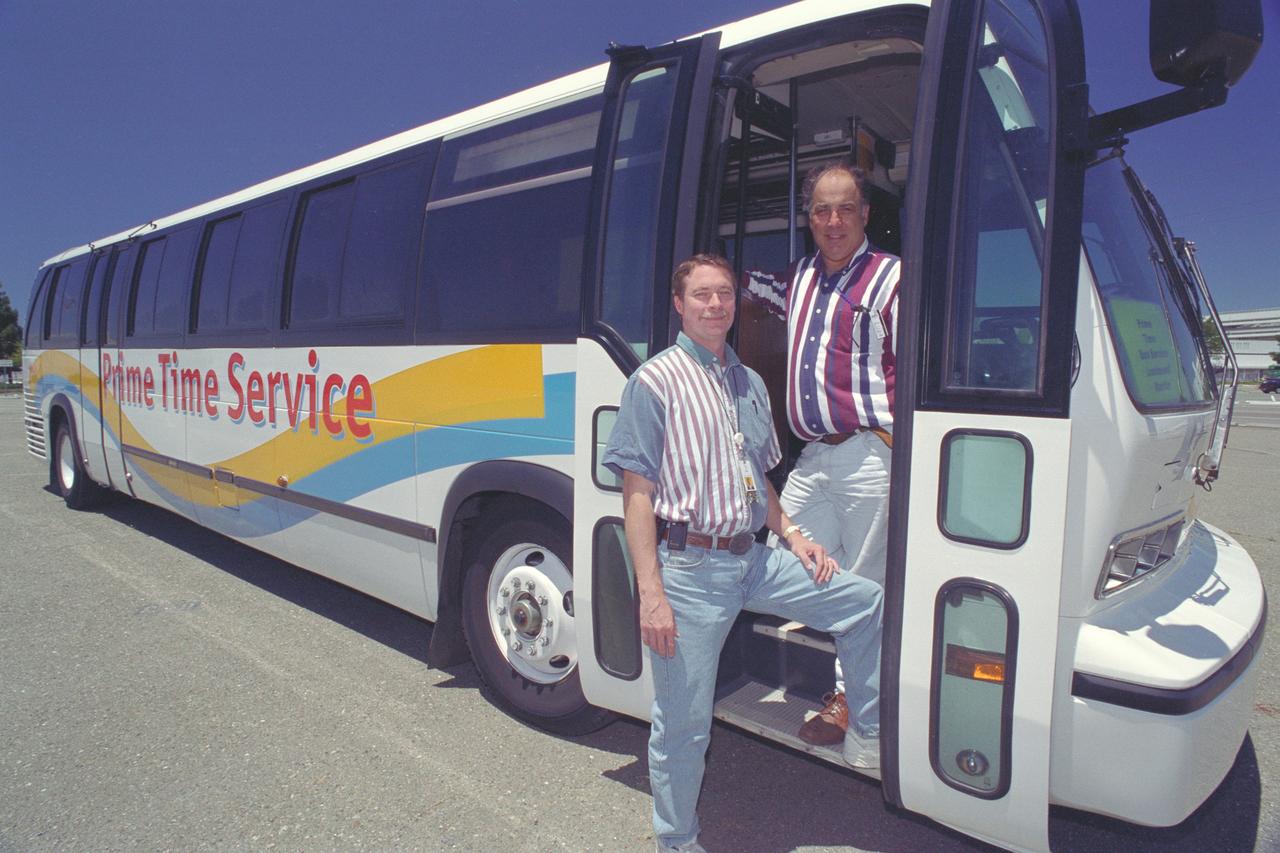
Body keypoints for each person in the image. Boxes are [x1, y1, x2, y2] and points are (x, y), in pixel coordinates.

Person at [603, 254, 883, 853]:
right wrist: (651, 594)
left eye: (724, 294)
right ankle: (677, 842)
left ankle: (868, 727)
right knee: (683, 726)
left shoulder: (749, 381)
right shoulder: (653, 382)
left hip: (754, 559)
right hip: (689, 575)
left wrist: (796, 537)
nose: (715, 305)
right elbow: (637, 495)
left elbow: (758, 475)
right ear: (679, 304)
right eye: (701, 295)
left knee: (863, 602)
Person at [779, 159, 901, 746]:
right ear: (808, 218)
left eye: (845, 208)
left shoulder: (892, 277)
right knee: (784, 551)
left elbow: (914, 369)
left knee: (862, 582)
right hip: (812, 455)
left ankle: (852, 704)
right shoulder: (799, 276)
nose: (833, 221)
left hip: (867, 454)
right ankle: (867, 674)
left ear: (865, 215)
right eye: (821, 210)